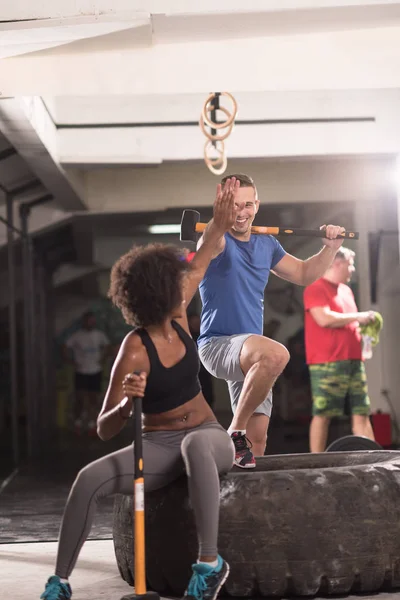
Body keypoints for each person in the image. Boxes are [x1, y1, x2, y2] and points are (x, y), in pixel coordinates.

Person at [40, 178, 239, 600]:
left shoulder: (180, 314)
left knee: (196, 447)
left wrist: (219, 220)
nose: (182, 287)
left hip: (207, 435)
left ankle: (209, 564)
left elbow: (201, 258)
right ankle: (59, 583)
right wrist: (130, 404)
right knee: (86, 478)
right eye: (173, 283)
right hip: (158, 445)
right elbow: (103, 429)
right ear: (156, 294)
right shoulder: (134, 349)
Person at [197, 172, 346, 468]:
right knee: (277, 354)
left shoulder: (267, 244)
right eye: (234, 205)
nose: (242, 213)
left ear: (257, 205)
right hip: (218, 345)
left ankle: (239, 502)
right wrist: (219, 219)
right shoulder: (217, 239)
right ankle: (234, 430)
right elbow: (212, 237)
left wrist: (331, 249)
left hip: (253, 356)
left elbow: (304, 274)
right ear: (223, 206)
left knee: (258, 444)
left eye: (248, 205)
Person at [303, 247, 376, 452]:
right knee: (323, 413)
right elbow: (324, 318)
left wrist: (365, 331)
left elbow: (349, 322)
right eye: (350, 264)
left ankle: (371, 459)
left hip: (354, 359)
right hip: (327, 362)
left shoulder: (346, 290)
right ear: (337, 263)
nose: (352, 269)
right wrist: (358, 317)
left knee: (362, 411)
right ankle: (316, 461)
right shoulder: (315, 287)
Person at [63, 311, 111, 435]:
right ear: (84, 321)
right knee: (80, 398)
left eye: (92, 320)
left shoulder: (99, 335)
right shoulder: (77, 335)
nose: (91, 322)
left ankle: (92, 425)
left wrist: (102, 359)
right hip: (81, 371)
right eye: (88, 320)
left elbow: (107, 346)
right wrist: (71, 361)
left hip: (95, 371)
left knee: (94, 398)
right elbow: (65, 346)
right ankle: (78, 423)